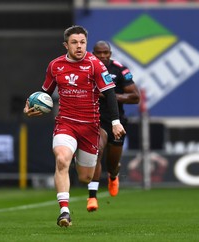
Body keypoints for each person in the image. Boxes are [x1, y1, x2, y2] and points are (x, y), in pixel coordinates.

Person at [23, 26, 126, 227]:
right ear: (66, 45)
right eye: (74, 43)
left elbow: (111, 94)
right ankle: (64, 212)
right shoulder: (55, 66)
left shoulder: (95, 65)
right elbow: (44, 93)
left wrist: (115, 122)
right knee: (61, 160)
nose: (79, 47)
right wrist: (30, 106)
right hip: (66, 123)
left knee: (85, 178)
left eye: (82, 43)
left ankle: (99, 167)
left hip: (90, 127)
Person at [86, 40, 140, 212]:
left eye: (105, 53)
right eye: (98, 53)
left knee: (112, 163)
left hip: (116, 120)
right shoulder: (87, 68)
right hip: (96, 119)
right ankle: (92, 197)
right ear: (93, 53)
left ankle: (114, 175)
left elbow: (135, 97)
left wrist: (110, 96)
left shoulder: (120, 69)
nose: (102, 56)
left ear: (110, 53)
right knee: (97, 151)